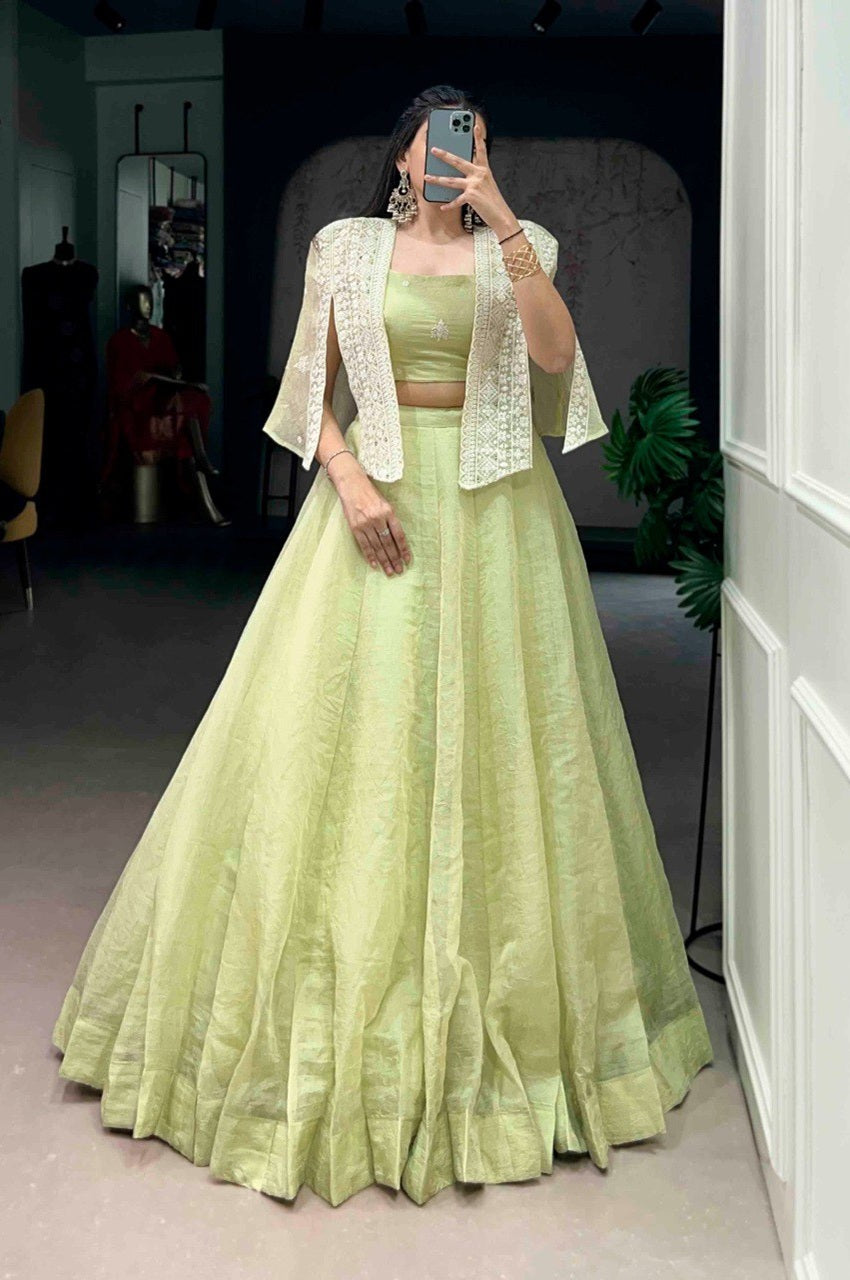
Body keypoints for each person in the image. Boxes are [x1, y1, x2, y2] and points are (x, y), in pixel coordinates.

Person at [52, 85, 713, 1208]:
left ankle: (508, 1036)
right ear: (403, 156)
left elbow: (555, 360)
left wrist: (502, 222)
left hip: (502, 516)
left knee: (514, 752)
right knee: (345, 739)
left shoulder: (525, 242)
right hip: (375, 500)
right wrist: (350, 480)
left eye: (476, 140)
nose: (456, 154)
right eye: (440, 140)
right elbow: (307, 391)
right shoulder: (345, 247)